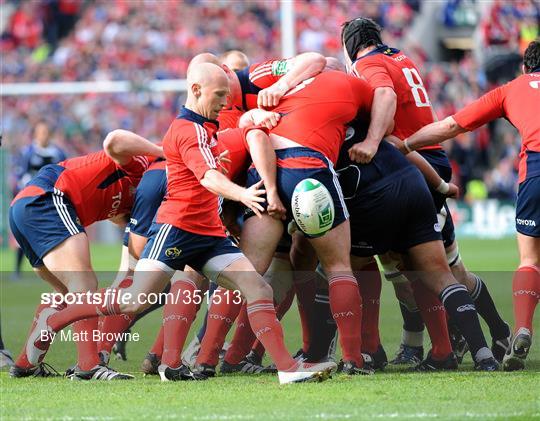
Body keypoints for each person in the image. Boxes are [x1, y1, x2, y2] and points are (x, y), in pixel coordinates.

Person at [22, 62, 336, 385]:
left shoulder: (209, 125)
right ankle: (61, 318)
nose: (224, 102)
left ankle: (287, 369)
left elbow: (238, 138)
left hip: (210, 235)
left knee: (257, 288)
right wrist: (242, 194)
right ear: (196, 90)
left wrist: (254, 120)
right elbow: (209, 177)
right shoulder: (188, 130)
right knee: (133, 299)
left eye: (227, 95)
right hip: (177, 229)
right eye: (218, 95)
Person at [341, 17, 510, 366]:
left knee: (419, 268)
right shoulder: (400, 57)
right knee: (425, 266)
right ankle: (484, 333)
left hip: (409, 164)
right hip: (427, 161)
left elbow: (385, 97)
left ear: (350, 45)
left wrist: (373, 141)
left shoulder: (366, 63)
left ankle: (449, 343)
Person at [401, 39, 540, 371]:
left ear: (524, 67)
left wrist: (406, 144)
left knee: (530, 259)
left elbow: (452, 126)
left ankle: (522, 328)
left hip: (535, 171)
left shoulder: (510, 89)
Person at [9, 129, 162, 380]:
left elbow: (125, 228)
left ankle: (26, 363)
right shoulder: (147, 166)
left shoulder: (138, 201)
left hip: (26, 206)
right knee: (84, 284)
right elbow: (114, 140)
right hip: (50, 196)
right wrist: (161, 151)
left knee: (65, 296)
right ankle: (89, 366)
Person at [12, 120, 66, 279]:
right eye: (41, 132)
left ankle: (60, 270)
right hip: (30, 200)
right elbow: (20, 176)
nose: (44, 135)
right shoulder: (28, 152)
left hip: (52, 200)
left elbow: (65, 174)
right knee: (24, 234)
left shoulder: (58, 153)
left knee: (58, 236)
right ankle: (17, 270)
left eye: (46, 132)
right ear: (35, 134)